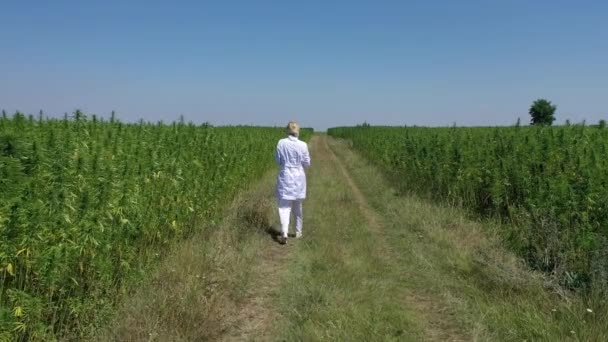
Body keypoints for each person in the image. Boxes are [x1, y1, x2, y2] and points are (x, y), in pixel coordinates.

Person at [275, 121, 311, 244]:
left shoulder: (281, 142)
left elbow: (278, 160)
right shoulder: (303, 145)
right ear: (298, 131)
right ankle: (298, 231)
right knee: (297, 205)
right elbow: (307, 163)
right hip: (298, 177)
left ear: (287, 130)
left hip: (285, 175)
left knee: (284, 206)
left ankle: (284, 232)